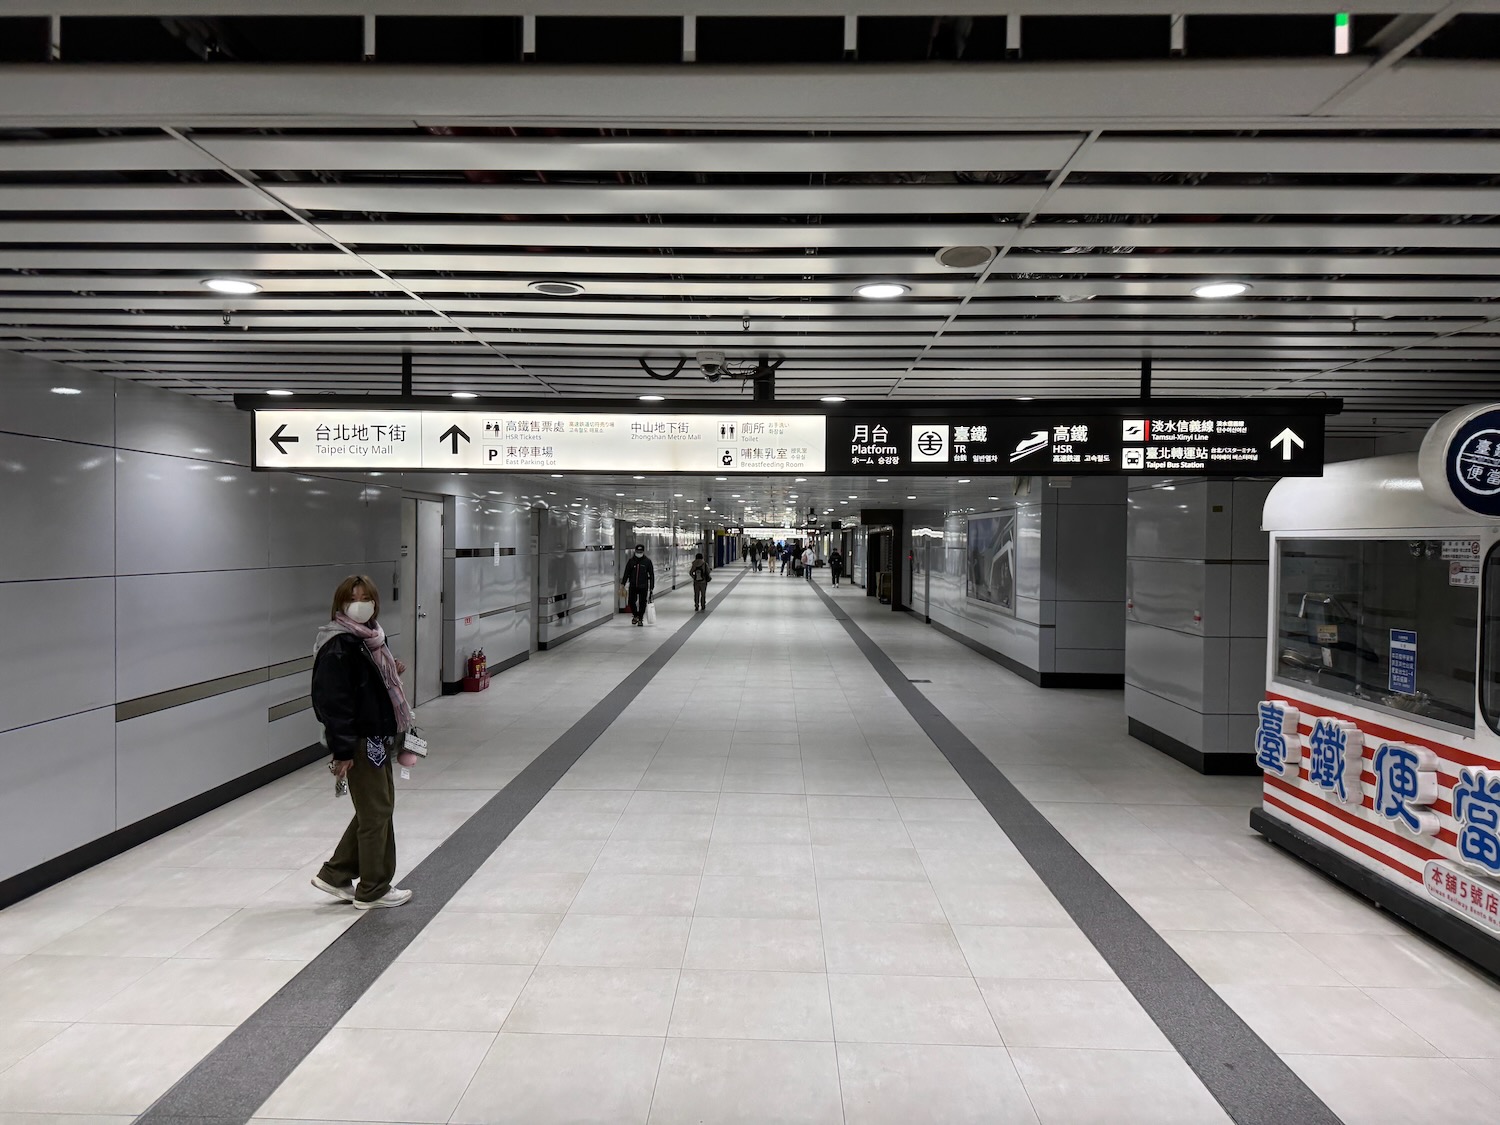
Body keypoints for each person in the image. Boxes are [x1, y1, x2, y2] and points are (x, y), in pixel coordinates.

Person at [310, 575, 418, 910]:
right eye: (354, 598)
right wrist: (342, 751)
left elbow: (365, 687)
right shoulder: (338, 645)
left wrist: (389, 673)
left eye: (367, 597)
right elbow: (334, 705)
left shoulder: (369, 640)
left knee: (377, 807)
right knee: (376, 812)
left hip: (375, 736)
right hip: (358, 739)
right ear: (340, 605)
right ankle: (373, 888)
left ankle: (336, 873)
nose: (361, 603)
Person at [622, 543, 655, 626]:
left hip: (643, 586)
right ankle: (636, 615)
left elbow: (651, 575)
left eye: (640, 552)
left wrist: (651, 587)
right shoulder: (631, 561)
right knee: (631, 602)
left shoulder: (647, 561)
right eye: (637, 551)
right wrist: (623, 583)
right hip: (633, 585)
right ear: (635, 551)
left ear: (643, 552)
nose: (639, 553)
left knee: (642, 603)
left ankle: (640, 618)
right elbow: (626, 573)